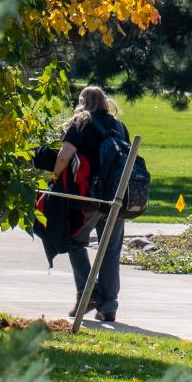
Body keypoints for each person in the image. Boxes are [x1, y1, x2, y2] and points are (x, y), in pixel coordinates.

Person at [54, 86, 129, 324]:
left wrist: (54, 176)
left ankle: (91, 292)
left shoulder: (81, 122)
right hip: (117, 197)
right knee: (110, 250)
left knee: (74, 241)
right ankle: (109, 307)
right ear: (105, 102)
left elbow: (65, 154)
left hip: (89, 197)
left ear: (83, 102)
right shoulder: (119, 126)